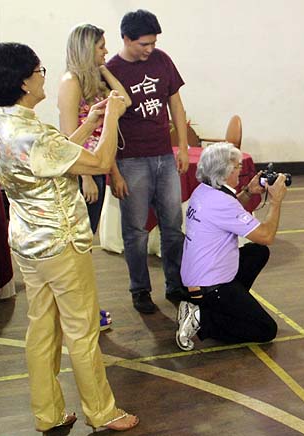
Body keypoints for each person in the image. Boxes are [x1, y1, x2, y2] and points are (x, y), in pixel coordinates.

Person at [0, 43, 138, 432]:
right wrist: (111, 117)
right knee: (82, 331)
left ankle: (48, 412)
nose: (43, 77)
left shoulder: (1, 124)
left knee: (42, 328)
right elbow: (100, 162)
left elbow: (58, 155)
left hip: (29, 242)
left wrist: (90, 121)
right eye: (39, 71)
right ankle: (102, 411)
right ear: (24, 82)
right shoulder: (35, 136)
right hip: (61, 243)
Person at [106, 9, 190, 313]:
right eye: (144, 44)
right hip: (130, 161)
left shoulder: (162, 60)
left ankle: (175, 284)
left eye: (153, 43)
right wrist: (114, 171)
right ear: (126, 38)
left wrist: (182, 146)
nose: (150, 49)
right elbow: (105, 128)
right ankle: (140, 289)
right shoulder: (111, 71)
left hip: (164, 156)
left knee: (173, 226)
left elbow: (176, 105)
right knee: (136, 232)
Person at [176, 143, 287, 351]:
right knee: (266, 330)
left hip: (197, 276)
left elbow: (229, 213)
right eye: (237, 167)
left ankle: (226, 306)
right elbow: (266, 236)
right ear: (225, 172)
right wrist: (275, 201)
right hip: (210, 286)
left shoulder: (204, 191)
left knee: (257, 253)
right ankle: (203, 318)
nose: (240, 171)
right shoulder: (222, 203)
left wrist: (249, 191)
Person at [58, 23, 133, 331]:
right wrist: (85, 177)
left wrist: (103, 70)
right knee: (80, 244)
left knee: (86, 243)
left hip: (98, 168)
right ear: (86, 48)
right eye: (101, 47)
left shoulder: (94, 82)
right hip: (82, 173)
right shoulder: (71, 82)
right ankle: (79, 310)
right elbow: (68, 136)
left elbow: (124, 102)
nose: (106, 51)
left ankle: (84, 306)